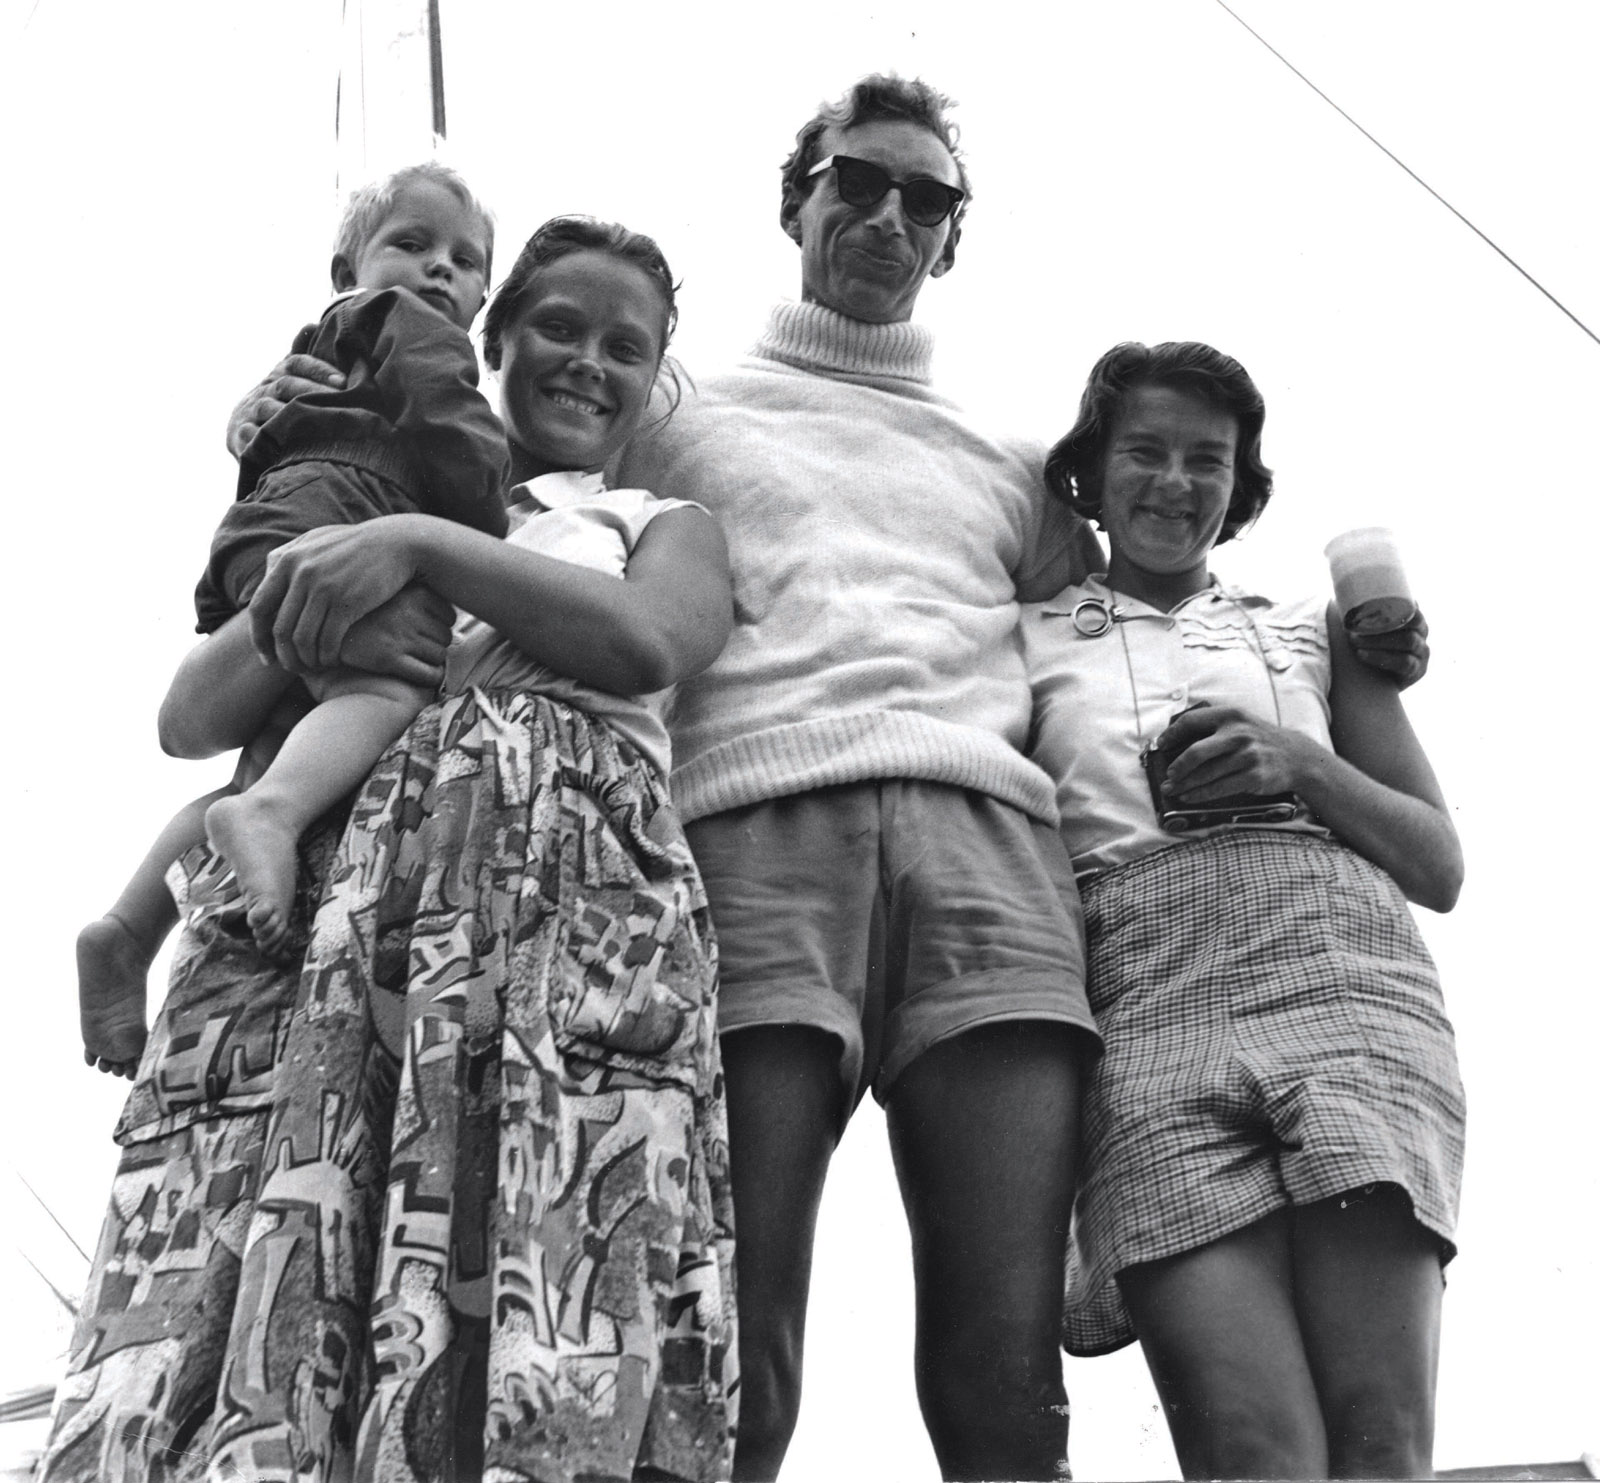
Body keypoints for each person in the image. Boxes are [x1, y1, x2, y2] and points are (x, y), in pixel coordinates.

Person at [42, 216, 738, 1483]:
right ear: (493, 341)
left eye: (624, 347)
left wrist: (420, 551)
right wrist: (340, 576)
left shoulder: (653, 516)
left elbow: (648, 641)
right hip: (327, 925)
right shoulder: (371, 487)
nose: (588, 362)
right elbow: (188, 719)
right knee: (260, 1283)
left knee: (547, 1274)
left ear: (653, 381)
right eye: (558, 328)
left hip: (557, 923)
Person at [1023, 341, 1465, 1480]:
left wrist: (1297, 762)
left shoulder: (1313, 629)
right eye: (1145, 452)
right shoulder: (1020, 636)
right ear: (1091, 469)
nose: (1175, 482)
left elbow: (1438, 863)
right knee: (1249, 1448)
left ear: (1241, 483)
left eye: (1207, 460)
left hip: (1343, 976)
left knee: (1379, 1439)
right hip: (1141, 997)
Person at [75, 161, 510, 1082]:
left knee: (272, 753)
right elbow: (452, 426)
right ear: (347, 268)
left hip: (269, 535)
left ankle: (127, 927)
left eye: (465, 260)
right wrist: (487, 510)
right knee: (381, 686)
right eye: (412, 244)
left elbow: (268, 446)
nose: (440, 268)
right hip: (339, 518)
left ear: (485, 292)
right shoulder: (411, 330)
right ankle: (270, 816)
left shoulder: (324, 352)